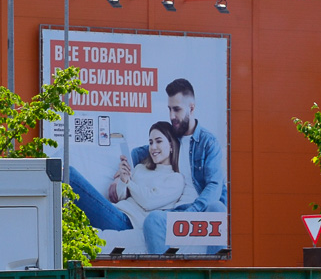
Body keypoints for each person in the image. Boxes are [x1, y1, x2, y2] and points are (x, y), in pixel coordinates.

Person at [135, 78, 228, 254]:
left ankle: (215, 274)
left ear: (191, 108)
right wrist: (122, 170)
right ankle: (166, 278)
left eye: (177, 109)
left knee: (217, 208)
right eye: (169, 109)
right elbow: (139, 152)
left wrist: (194, 211)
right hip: (176, 210)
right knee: (153, 219)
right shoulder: (171, 137)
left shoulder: (209, 142)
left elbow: (214, 186)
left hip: (202, 208)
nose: (171, 116)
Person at [69, 122, 184, 232]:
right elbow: (120, 196)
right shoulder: (140, 168)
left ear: (171, 146)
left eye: (158, 141)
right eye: (150, 142)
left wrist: (128, 182)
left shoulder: (175, 179)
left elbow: (148, 201)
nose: (153, 147)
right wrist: (123, 180)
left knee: (69, 175)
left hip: (128, 223)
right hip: (116, 211)